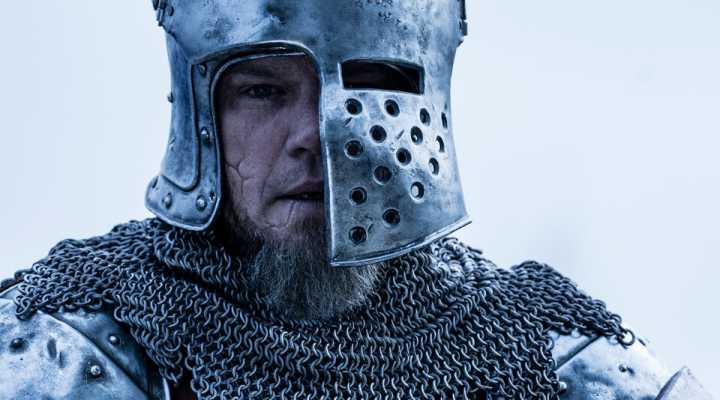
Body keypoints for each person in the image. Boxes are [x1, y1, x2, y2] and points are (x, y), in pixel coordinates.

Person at [0, 1, 713, 399]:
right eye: (263, 91)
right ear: (202, 115)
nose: (314, 135)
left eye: (365, 86)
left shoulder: (549, 357)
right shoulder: (74, 346)